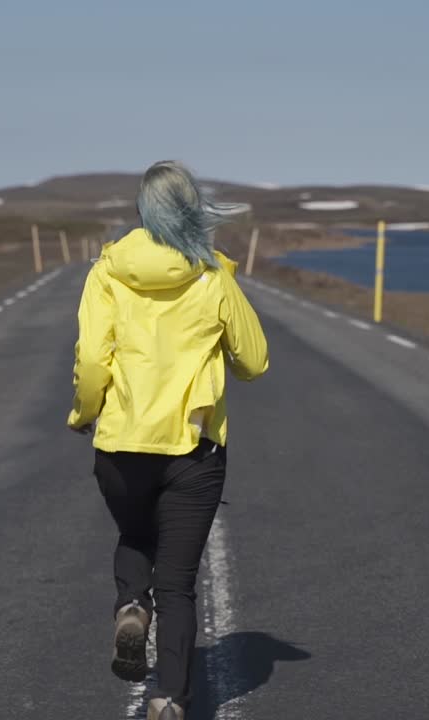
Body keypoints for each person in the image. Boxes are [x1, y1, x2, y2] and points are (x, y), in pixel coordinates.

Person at [67, 161, 269, 720]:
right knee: (178, 584)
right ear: (192, 208)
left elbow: (89, 360)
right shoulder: (212, 277)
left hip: (120, 444)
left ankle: (131, 605)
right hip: (193, 451)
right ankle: (169, 701)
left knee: (135, 532)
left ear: (142, 210)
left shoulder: (107, 272)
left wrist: (84, 412)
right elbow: (255, 361)